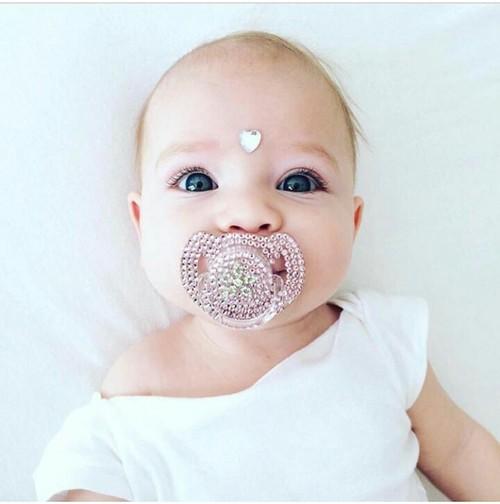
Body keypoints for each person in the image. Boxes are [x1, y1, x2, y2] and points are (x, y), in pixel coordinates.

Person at [33, 30, 500, 501]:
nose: (248, 213)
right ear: (142, 224)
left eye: (298, 183)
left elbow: (460, 449)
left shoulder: (381, 339)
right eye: (197, 182)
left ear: (352, 223)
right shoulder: (137, 396)